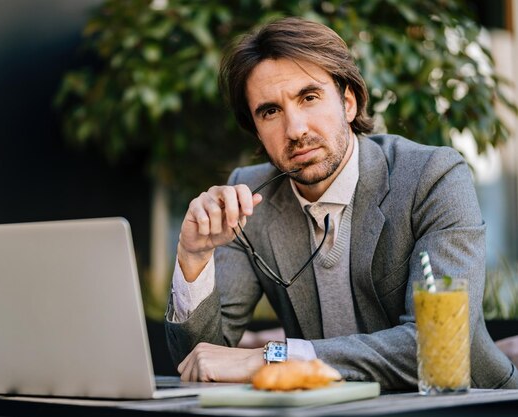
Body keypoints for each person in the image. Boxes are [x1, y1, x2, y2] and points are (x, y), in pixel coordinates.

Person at [164, 16, 518, 390]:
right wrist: (194, 257)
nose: (296, 129)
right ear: (256, 130)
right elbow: (204, 360)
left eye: (309, 97)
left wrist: (274, 356)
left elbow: (437, 342)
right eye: (270, 111)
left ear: (348, 103)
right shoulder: (248, 197)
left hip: (466, 403)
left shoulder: (433, 175)